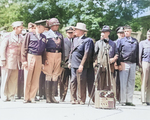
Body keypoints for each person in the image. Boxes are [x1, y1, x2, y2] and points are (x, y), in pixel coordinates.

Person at [69, 22, 95, 105]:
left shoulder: (87, 40)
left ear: (81, 31)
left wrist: (82, 64)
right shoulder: (75, 39)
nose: (75, 31)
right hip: (73, 63)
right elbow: (71, 51)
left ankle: (81, 99)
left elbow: (86, 53)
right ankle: (73, 98)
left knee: (81, 81)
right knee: (73, 81)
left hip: (81, 63)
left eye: (76, 29)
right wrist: (70, 61)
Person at [21, 20, 47, 103]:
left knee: (36, 78)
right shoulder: (29, 35)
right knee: (28, 77)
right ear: (39, 27)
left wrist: (42, 62)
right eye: (43, 27)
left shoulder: (43, 37)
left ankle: (32, 97)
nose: (44, 29)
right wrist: (24, 60)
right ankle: (26, 97)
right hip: (30, 56)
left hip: (39, 57)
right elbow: (24, 48)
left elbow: (44, 51)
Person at [42, 18, 65, 103]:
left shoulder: (60, 35)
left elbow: (63, 48)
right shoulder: (46, 34)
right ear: (51, 26)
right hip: (49, 54)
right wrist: (44, 59)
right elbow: (43, 48)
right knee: (48, 74)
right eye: (55, 25)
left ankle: (52, 96)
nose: (56, 26)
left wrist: (63, 59)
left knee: (55, 75)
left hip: (58, 54)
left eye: (57, 25)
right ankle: (47, 97)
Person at [0, 21, 24, 102]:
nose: (22, 29)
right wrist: (2, 59)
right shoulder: (7, 36)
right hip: (7, 60)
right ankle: (3, 94)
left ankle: (11, 95)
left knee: (14, 78)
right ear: (15, 28)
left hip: (16, 61)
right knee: (5, 78)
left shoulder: (21, 37)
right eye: (20, 27)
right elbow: (2, 48)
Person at [117, 25, 139, 106]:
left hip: (133, 63)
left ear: (131, 31)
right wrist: (119, 63)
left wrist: (137, 64)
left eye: (128, 31)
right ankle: (122, 100)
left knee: (131, 82)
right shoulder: (121, 41)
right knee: (123, 82)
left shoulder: (135, 41)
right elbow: (118, 53)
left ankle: (129, 100)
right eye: (125, 31)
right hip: (124, 63)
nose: (126, 33)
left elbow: (137, 53)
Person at [95, 25, 118, 98]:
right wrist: (96, 63)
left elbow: (117, 54)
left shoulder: (113, 43)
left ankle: (109, 98)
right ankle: (99, 98)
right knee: (100, 82)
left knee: (109, 82)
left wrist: (114, 59)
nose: (103, 33)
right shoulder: (98, 43)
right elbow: (94, 54)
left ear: (108, 33)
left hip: (110, 65)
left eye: (105, 32)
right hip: (100, 65)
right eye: (102, 32)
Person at [60, 26, 75, 102]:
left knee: (73, 82)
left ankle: (73, 98)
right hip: (64, 64)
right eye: (69, 33)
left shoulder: (76, 40)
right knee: (63, 81)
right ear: (66, 33)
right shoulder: (63, 41)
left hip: (73, 63)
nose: (70, 34)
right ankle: (62, 97)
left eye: (72, 33)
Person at [139, 29, 150, 105]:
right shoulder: (142, 43)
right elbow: (140, 55)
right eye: (148, 34)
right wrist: (140, 65)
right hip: (145, 62)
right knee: (144, 81)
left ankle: (148, 99)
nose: (149, 35)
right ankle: (143, 100)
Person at [114, 26, 125, 102]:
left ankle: (122, 98)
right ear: (117, 34)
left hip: (124, 64)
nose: (121, 34)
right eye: (120, 33)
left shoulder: (127, 42)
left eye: (122, 33)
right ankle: (116, 97)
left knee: (123, 82)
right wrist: (116, 64)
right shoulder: (114, 43)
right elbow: (113, 54)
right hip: (116, 64)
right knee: (116, 81)